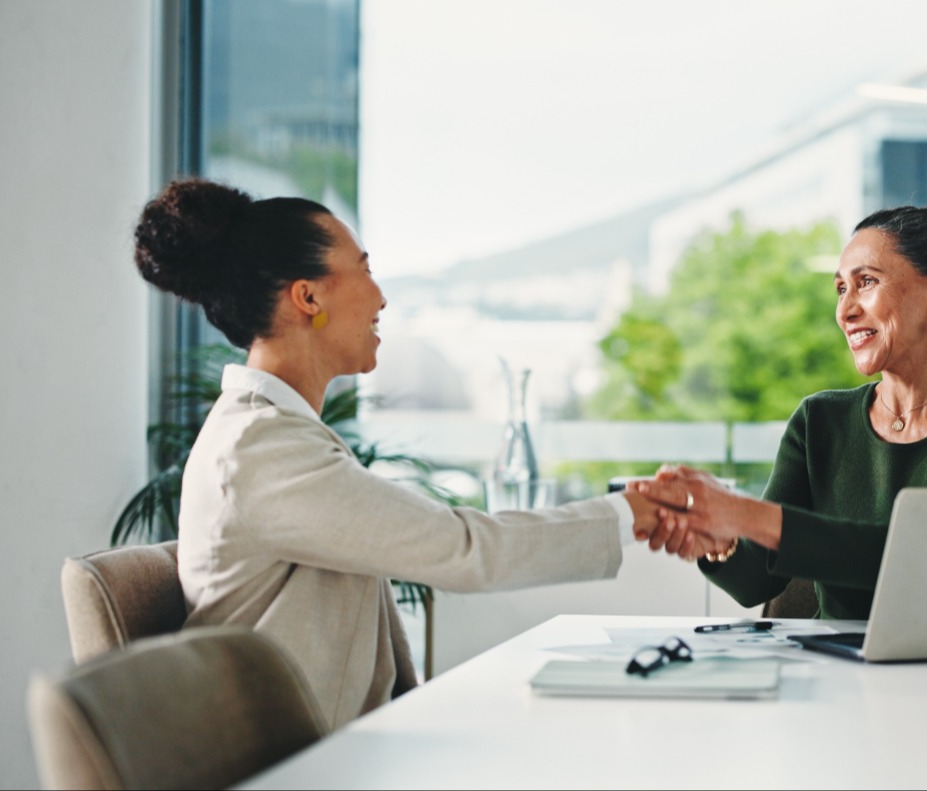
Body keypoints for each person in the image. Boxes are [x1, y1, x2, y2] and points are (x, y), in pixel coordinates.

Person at [132, 178, 697, 729]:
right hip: (295, 769)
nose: (381, 295)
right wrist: (633, 511)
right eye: (366, 269)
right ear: (308, 296)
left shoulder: (274, 434)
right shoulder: (260, 448)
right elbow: (466, 549)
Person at [632, 206, 927, 620]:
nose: (845, 310)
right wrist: (715, 537)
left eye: (866, 282)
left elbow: (917, 557)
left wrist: (741, 512)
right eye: (840, 289)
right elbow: (756, 582)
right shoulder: (819, 420)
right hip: (831, 676)